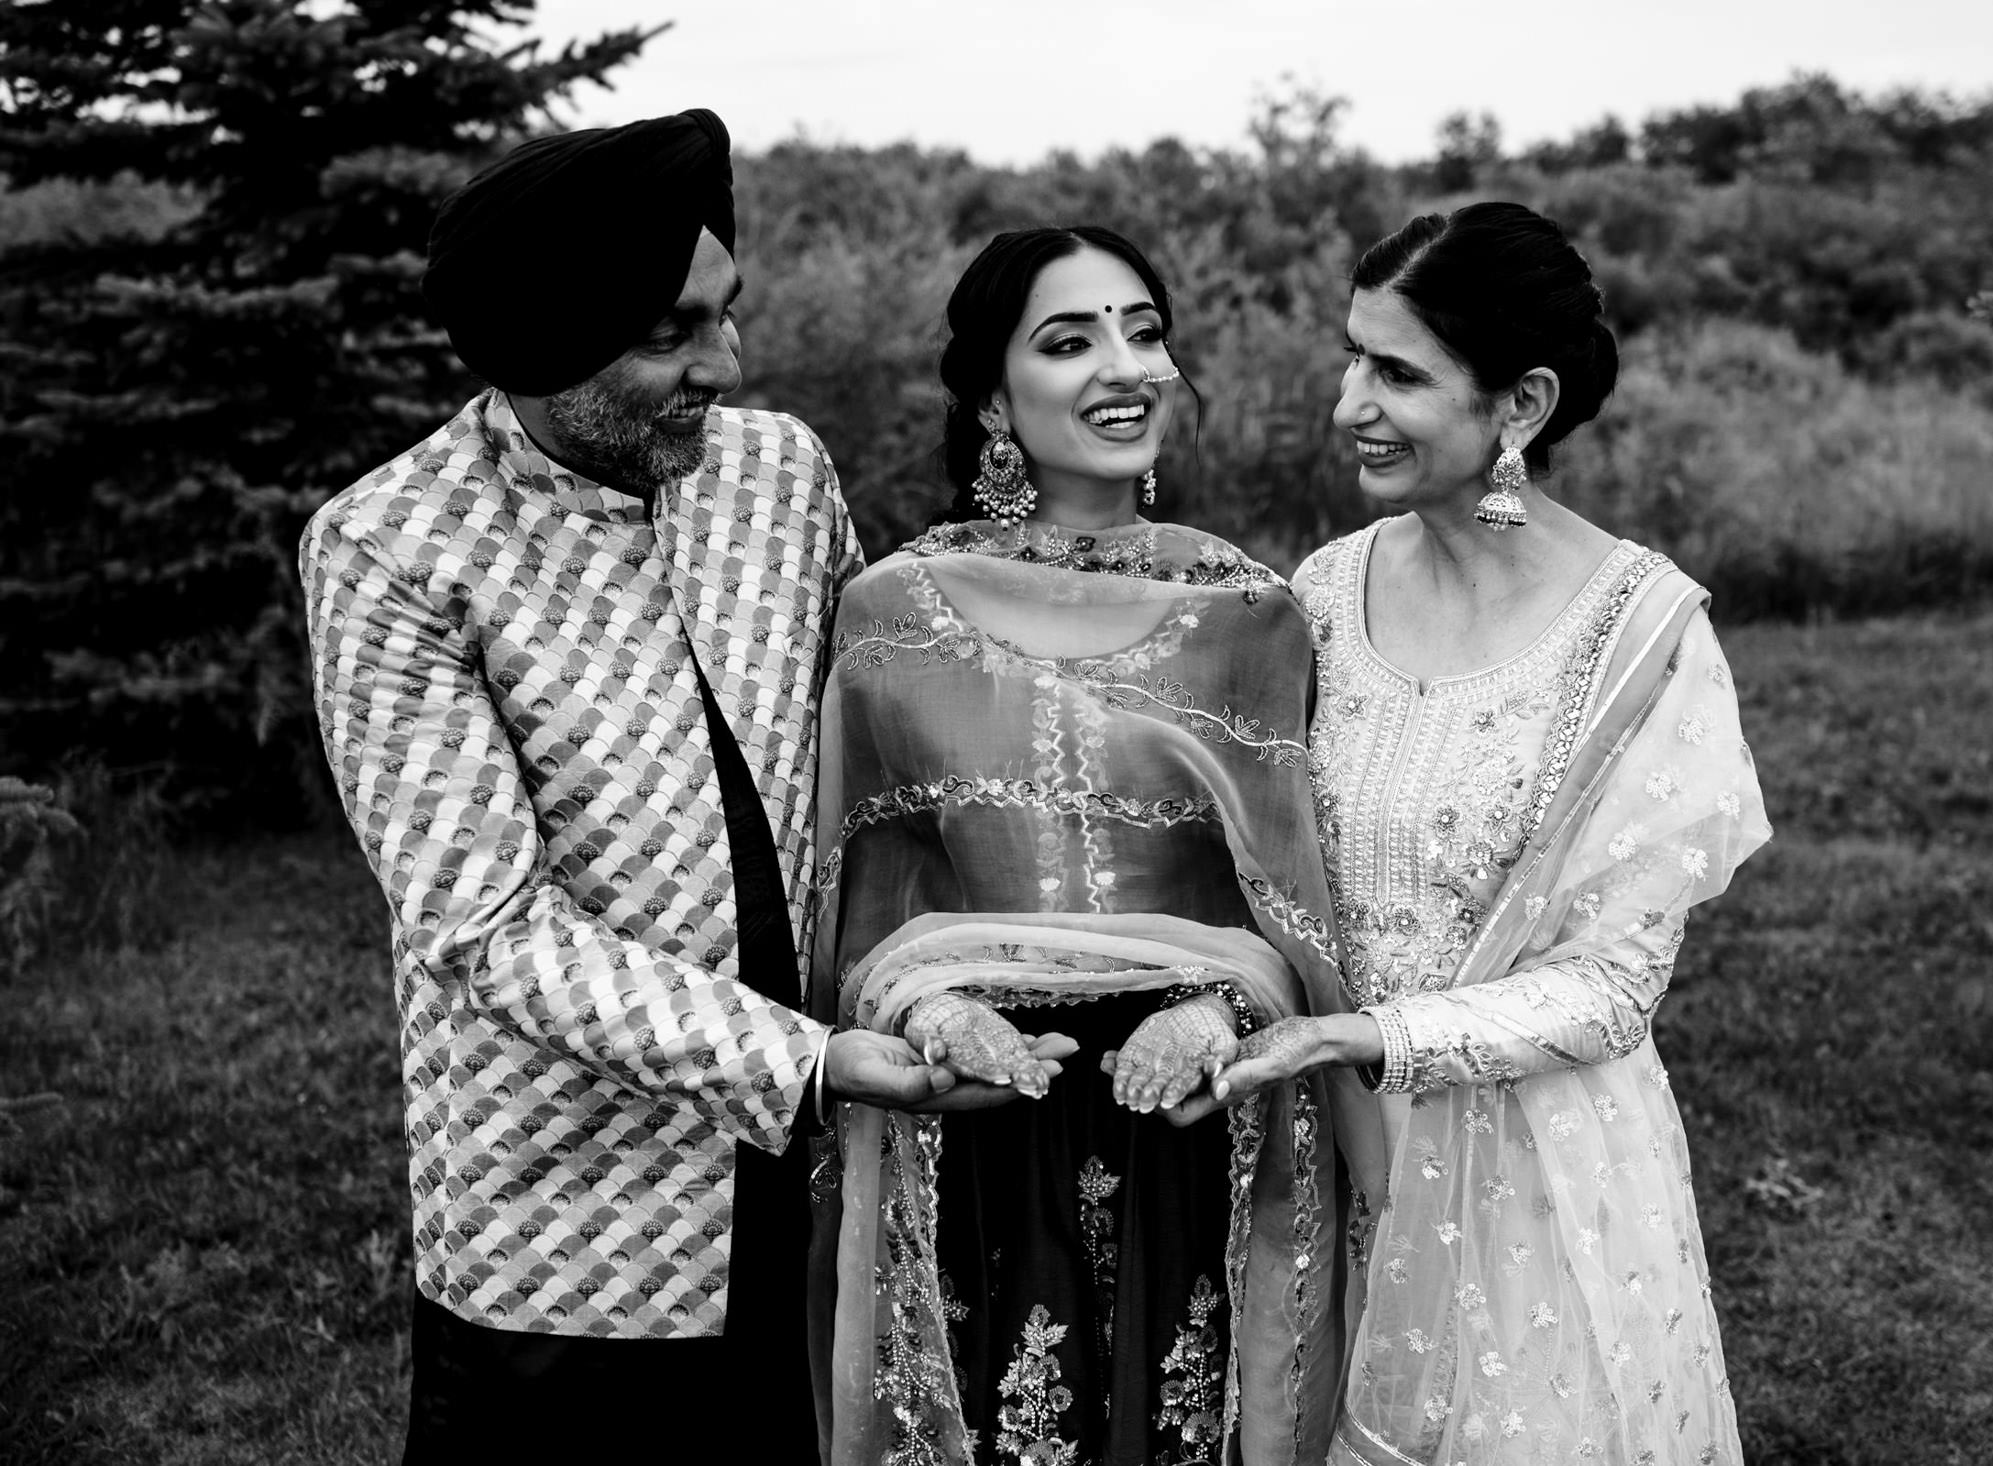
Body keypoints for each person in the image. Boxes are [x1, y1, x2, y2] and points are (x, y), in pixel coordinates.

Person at [298, 109, 1059, 1462]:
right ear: (541, 346)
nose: (727, 360)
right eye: (672, 333)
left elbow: (875, 766)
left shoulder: (779, 472)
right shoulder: (391, 548)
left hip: (827, 1158)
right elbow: (486, 929)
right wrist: (805, 1061)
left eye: (726, 310)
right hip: (575, 1224)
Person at [1176, 203, 1774, 1463]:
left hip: (1533, 1178)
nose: (1348, 403)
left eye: (1397, 373)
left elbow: (1614, 987)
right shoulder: (1325, 591)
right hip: (1333, 1153)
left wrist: (1372, 1036)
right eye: (1353, 357)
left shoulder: (1639, 634)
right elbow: (1268, 870)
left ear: (1522, 402)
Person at [807, 226, 1354, 1466]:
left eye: (1144, 330)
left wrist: (1217, 1010)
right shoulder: (893, 614)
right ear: (993, 402)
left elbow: (1296, 908)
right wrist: (936, 1012)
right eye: (1069, 341)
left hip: (1192, 1119)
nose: (1126, 365)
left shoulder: (1250, 614)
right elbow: (861, 900)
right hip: (971, 1115)